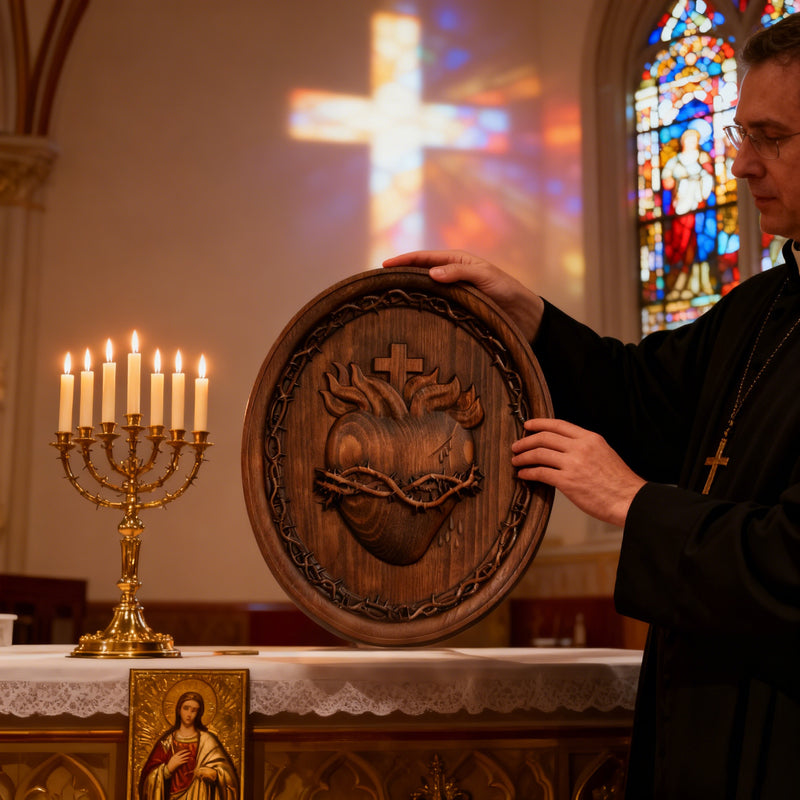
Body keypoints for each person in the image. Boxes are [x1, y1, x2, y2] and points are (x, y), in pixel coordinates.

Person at [383, 14, 800, 799]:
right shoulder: (763, 306)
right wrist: (528, 316)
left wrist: (632, 503)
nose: (741, 163)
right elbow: (642, 396)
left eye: (770, 137)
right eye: (741, 134)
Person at [139, 691, 239, 800]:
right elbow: (147, 781)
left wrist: (215, 774)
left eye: (194, 710)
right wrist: (167, 769)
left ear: (199, 713)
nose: (189, 714)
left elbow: (229, 778)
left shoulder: (208, 741)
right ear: (179, 710)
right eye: (186, 708)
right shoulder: (166, 742)